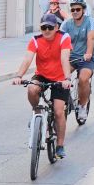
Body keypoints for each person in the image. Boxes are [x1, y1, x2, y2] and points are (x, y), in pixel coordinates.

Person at [12, 14, 74, 158]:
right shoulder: (36, 40)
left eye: (50, 27)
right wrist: (18, 76)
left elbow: (65, 59)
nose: (46, 30)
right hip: (42, 74)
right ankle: (37, 112)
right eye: (43, 27)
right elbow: (27, 59)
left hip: (60, 78)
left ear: (56, 27)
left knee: (58, 112)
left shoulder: (64, 38)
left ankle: (59, 146)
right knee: (32, 88)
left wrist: (67, 78)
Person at [61, 0, 94, 124]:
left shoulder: (90, 21)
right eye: (73, 10)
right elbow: (59, 38)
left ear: (83, 10)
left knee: (83, 79)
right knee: (60, 77)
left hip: (86, 58)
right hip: (70, 58)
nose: (75, 12)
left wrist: (88, 53)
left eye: (78, 9)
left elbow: (91, 38)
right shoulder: (67, 24)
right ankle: (68, 100)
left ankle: (82, 106)